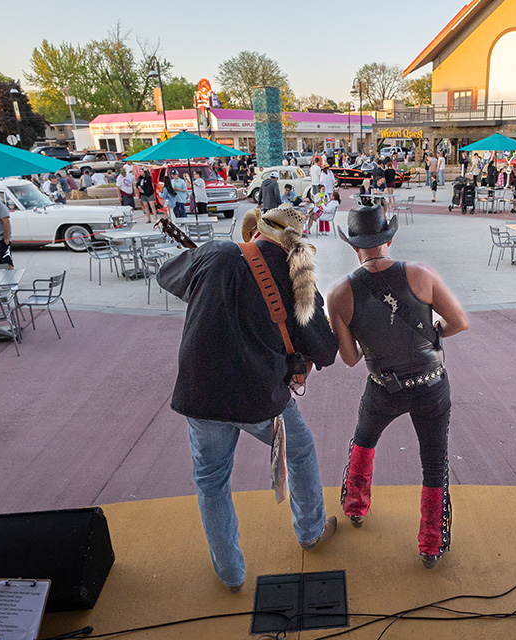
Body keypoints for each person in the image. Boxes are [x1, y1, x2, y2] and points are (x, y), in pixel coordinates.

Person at [155, 203, 340, 593]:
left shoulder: (215, 252)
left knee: (210, 481)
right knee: (301, 451)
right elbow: (324, 351)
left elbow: (166, 275)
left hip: (199, 394)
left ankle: (230, 573)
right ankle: (310, 530)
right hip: (259, 397)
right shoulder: (298, 282)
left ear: (255, 231)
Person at [327, 204, 468, 569]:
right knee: (434, 463)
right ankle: (430, 545)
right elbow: (459, 322)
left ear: (354, 246)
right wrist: (434, 334)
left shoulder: (339, 293)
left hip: (382, 388)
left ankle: (356, 507)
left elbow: (350, 358)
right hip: (431, 385)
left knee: (364, 440)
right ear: (388, 238)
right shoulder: (421, 274)